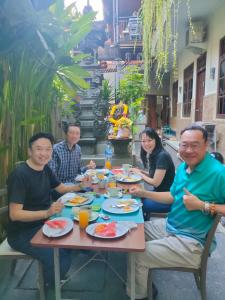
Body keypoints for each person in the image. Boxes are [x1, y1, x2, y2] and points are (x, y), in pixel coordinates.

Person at [127, 125, 225, 300]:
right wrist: (143, 193)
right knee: (132, 230)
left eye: (194, 145)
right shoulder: (183, 167)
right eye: (184, 145)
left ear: (206, 145)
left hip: (192, 243)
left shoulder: (219, 173)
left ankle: (137, 295)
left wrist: (203, 205)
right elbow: (172, 196)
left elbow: (207, 206)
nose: (188, 150)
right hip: (171, 226)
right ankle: (140, 282)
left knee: (136, 254)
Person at [7, 132, 92, 288]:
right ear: (29, 151)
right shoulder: (19, 175)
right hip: (22, 233)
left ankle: (52, 276)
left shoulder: (45, 169)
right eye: (39, 149)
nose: (44, 153)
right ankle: (47, 286)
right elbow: (15, 214)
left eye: (48, 149)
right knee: (60, 258)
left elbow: (62, 188)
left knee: (75, 241)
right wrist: (47, 213)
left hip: (45, 224)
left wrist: (80, 186)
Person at [130, 127, 175, 218]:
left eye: (149, 140)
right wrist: (140, 171)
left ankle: (143, 225)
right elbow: (153, 175)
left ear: (156, 140)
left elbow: (155, 182)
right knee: (134, 197)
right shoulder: (155, 154)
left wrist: (140, 174)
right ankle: (145, 219)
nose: (146, 144)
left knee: (136, 204)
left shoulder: (162, 156)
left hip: (166, 198)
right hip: (158, 193)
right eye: (143, 141)